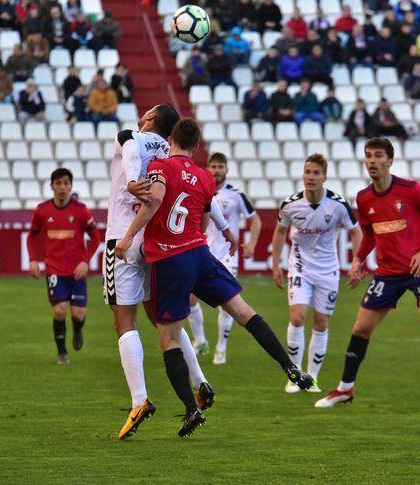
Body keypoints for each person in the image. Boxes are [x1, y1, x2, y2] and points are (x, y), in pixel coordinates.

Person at [115, 118, 313, 436]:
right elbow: (205, 221)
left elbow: (153, 201)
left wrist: (126, 239)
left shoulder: (161, 168)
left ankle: (191, 410)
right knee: (244, 312)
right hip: (201, 254)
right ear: (197, 147)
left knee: (168, 338)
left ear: (172, 139)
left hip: (170, 257)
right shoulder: (206, 178)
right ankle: (288, 365)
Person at [315, 137, 420, 412]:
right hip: (388, 273)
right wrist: (358, 259)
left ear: (390, 161)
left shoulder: (413, 190)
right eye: (368, 156)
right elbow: (369, 234)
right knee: (361, 328)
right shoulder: (364, 197)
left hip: (419, 268)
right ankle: (345, 388)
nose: (371, 161)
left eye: (378, 155)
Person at [102, 105, 216, 440]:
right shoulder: (169, 152)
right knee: (163, 318)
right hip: (155, 241)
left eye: (148, 111)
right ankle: (200, 381)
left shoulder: (130, 137)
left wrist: (135, 180)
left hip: (122, 236)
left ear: (150, 119)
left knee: (125, 319)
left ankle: (139, 400)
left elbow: (129, 154)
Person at [272, 154, 362, 393]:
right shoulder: (290, 204)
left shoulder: (338, 204)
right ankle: (295, 375)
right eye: (307, 172)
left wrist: (356, 262)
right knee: (298, 317)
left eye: (315, 173)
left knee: (321, 322)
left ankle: (312, 377)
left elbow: (356, 232)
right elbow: (280, 232)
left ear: (324, 177)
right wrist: (275, 265)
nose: (310, 177)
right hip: (300, 266)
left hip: (328, 271)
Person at [187, 152, 261, 361]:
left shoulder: (236, 195)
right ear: (208, 168)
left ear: (226, 170)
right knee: (190, 297)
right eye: (214, 166)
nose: (217, 170)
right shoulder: (200, 191)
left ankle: (221, 347)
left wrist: (252, 243)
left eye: (221, 167)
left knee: (226, 301)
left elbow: (256, 220)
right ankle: (200, 341)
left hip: (228, 253)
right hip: (204, 251)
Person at [27, 167, 101, 364]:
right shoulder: (42, 210)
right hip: (54, 269)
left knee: (78, 315)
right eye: (58, 183)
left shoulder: (81, 210)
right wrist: (33, 259)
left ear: (71, 186)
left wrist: (86, 261)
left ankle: (77, 329)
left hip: (77, 270)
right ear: (51, 186)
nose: (62, 187)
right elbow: (31, 236)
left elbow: (95, 238)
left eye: (66, 183)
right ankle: (62, 353)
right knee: (59, 310)